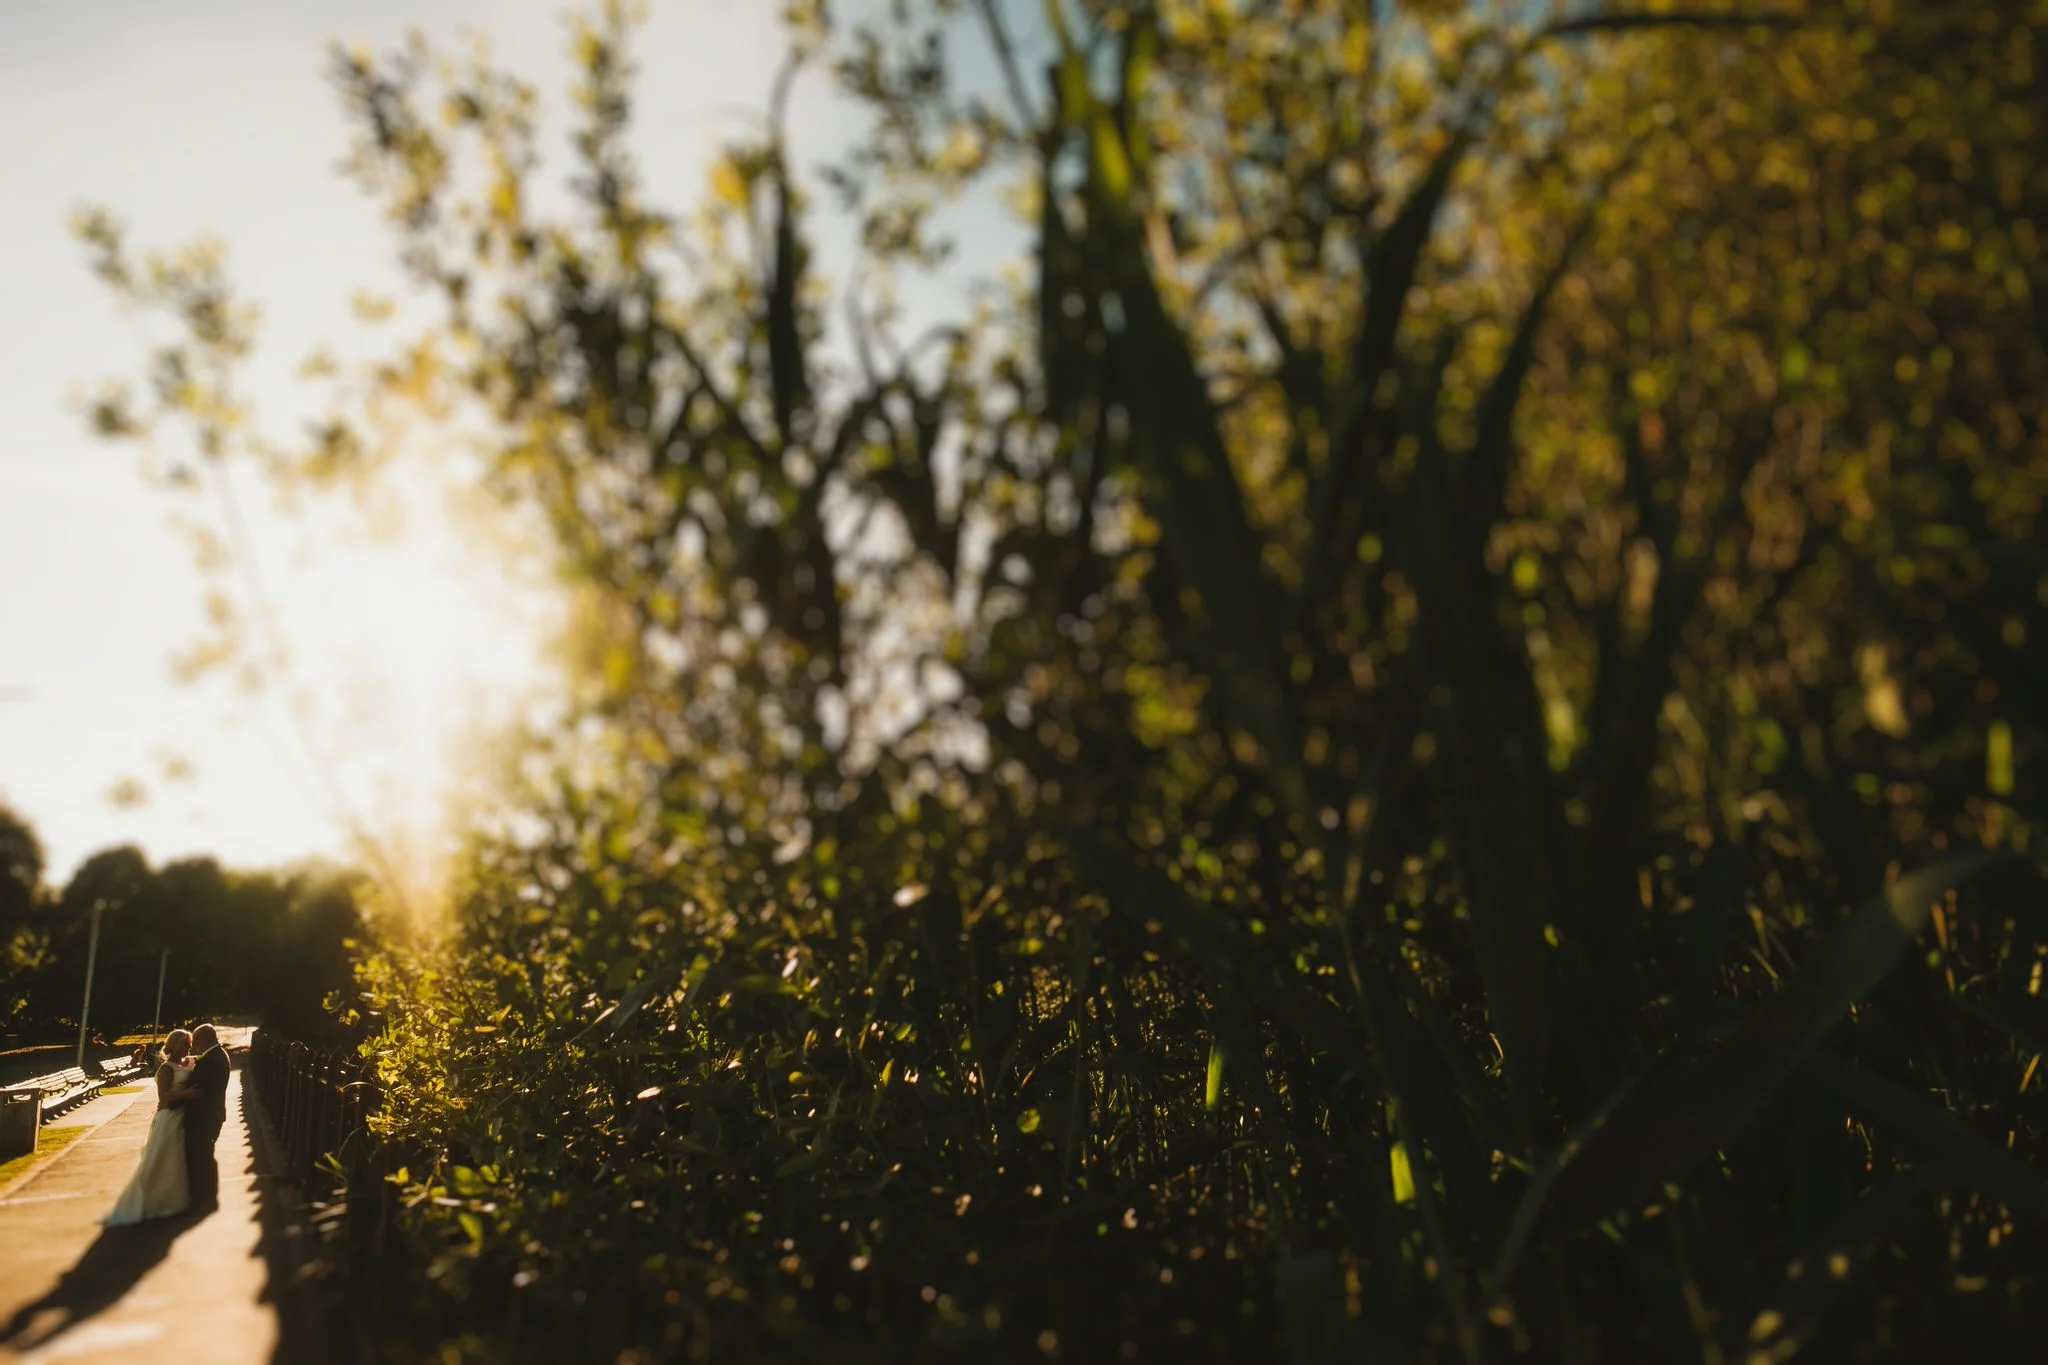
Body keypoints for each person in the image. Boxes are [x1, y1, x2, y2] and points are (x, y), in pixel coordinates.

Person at [104, 1029, 199, 1225]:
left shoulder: (188, 1062)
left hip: (184, 1116)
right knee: (163, 1158)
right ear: (174, 1045)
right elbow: (164, 1097)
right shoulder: (166, 1069)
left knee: (177, 1161)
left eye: (190, 1044)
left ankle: (176, 1199)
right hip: (169, 1118)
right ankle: (154, 1201)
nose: (188, 1048)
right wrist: (187, 1094)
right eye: (185, 1044)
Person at [179, 1023, 231, 1211]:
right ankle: (206, 1199)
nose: (193, 1045)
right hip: (210, 1113)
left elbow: (197, 1087)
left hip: (205, 1116)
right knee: (205, 1156)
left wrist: (176, 1096)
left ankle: (203, 1201)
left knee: (201, 1158)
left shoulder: (212, 1061)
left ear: (203, 1039)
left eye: (195, 1040)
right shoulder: (216, 1055)